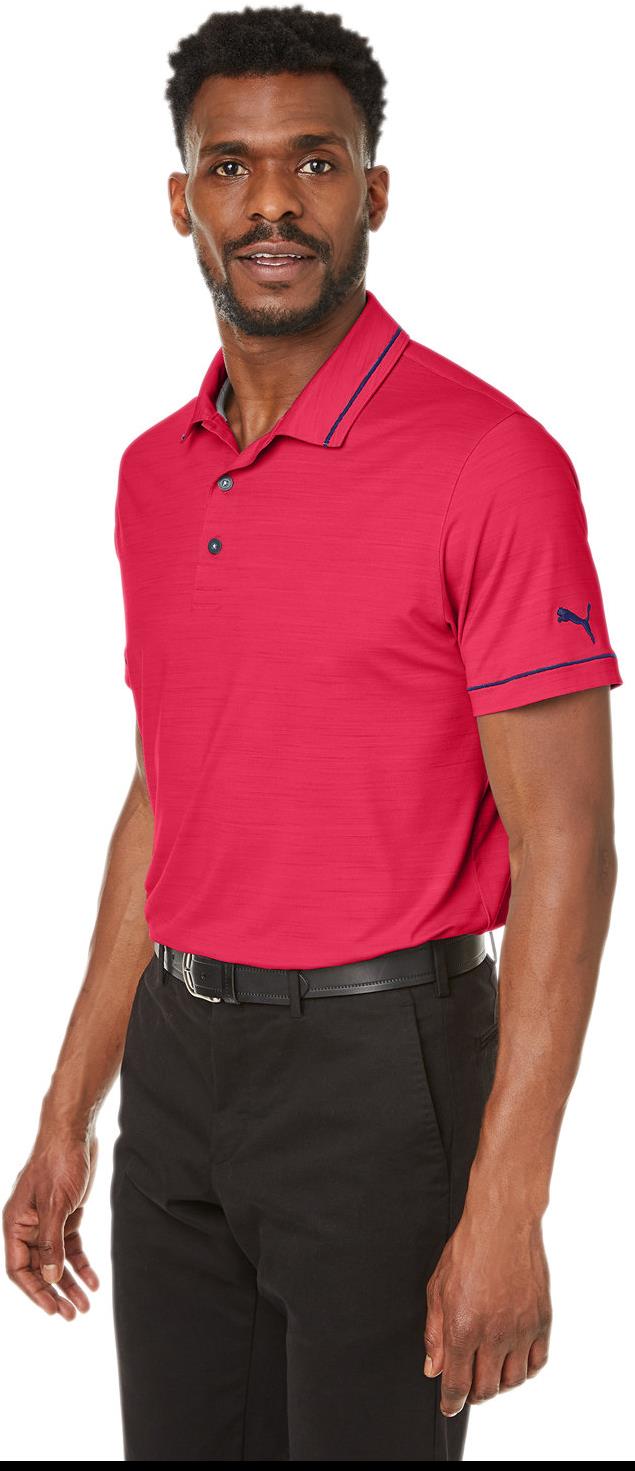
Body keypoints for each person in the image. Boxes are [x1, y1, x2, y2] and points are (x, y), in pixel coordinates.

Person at [3, 5, 623, 1461]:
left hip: (381, 1072)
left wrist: (511, 1200)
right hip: (178, 1069)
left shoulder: (492, 462)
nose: (271, 202)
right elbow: (170, 791)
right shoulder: (153, 474)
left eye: (315, 163)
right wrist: (68, 1108)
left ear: (374, 191)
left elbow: (569, 849)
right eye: (231, 166)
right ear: (182, 201)